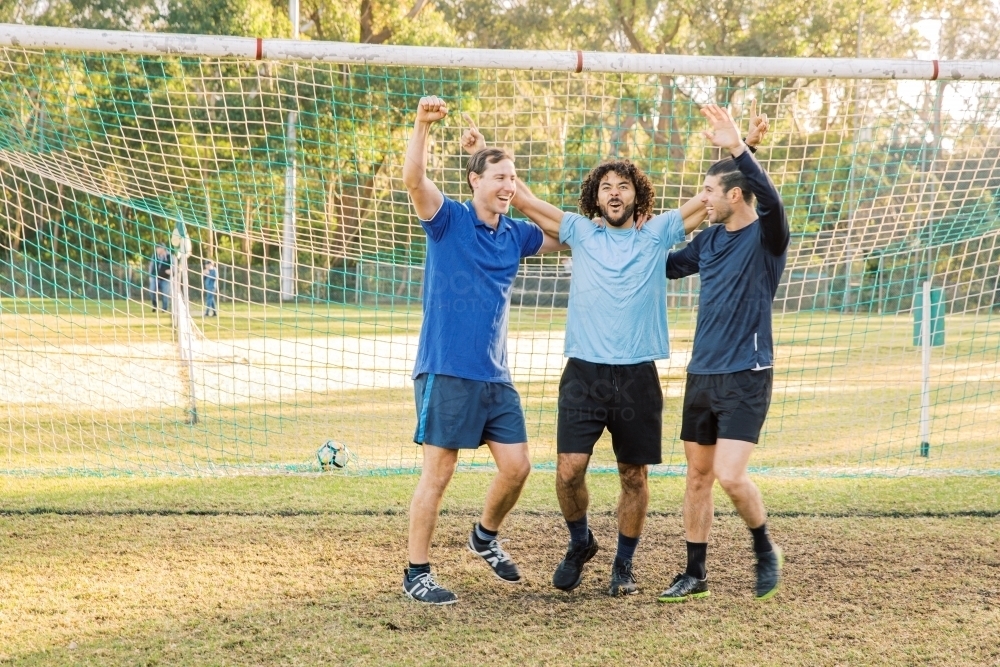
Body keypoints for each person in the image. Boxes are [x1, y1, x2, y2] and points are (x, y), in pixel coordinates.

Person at [470, 109, 769, 596]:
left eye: (624, 185)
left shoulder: (658, 234)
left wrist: (744, 147)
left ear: (637, 195)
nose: (614, 191)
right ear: (596, 196)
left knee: (634, 474)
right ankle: (580, 540)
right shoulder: (579, 233)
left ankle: (623, 565)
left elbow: (712, 195)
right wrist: (480, 156)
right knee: (568, 471)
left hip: (637, 375)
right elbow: (520, 198)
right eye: (606, 185)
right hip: (584, 372)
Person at [400, 96, 564, 606]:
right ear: (474, 182)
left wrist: (519, 189)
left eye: (513, 179)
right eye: (499, 178)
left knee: (517, 468)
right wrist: (423, 126)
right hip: (446, 370)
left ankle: (484, 536)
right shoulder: (447, 219)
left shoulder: (515, 233)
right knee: (440, 473)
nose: (508, 186)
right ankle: (416, 572)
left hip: (495, 376)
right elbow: (413, 181)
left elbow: (567, 235)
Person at [657, 104, 789, 603]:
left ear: (734, 195)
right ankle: (695, 573)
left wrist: (739, 147)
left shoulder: (767, 236)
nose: (701, 200)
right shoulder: (709, 239)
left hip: (747, 374)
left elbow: (769, 199)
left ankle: (764, 549)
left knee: (730, 475)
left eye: (709, 192)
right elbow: (667, 268)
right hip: (703, 374)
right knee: (697, 476)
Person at [148, 244, 171, 313]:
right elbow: (151, 265)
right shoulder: (154, 256)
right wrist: (150, 275)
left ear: (163, 249)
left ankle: (164, 308)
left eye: (158, 248)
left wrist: (171, 270)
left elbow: (174, 265)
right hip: (155, 277)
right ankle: (154, 304)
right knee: (152, 291)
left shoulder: (169, 256)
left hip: (165, 278)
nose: (157, 250)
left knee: (165, 293)